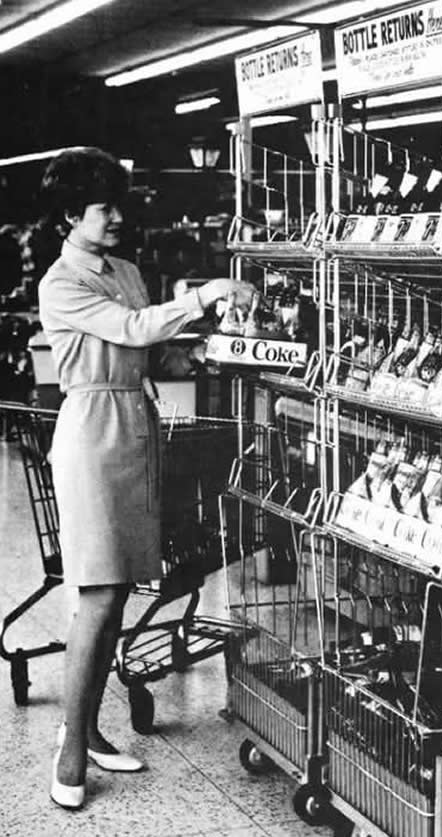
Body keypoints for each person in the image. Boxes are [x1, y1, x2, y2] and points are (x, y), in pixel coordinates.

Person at [36, 147, 254, 810]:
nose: (117, 218)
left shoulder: (127, 270)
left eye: (119, 205)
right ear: (71, 213)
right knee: (98, 597)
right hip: (92, 435)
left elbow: (147, 344)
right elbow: (128, 326)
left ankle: (92, 729)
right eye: (104, 208)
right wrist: (199, 295)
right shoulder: (59, 283)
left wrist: (214, 334)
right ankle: (69, 751)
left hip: (136, 425)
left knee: (121, 591)